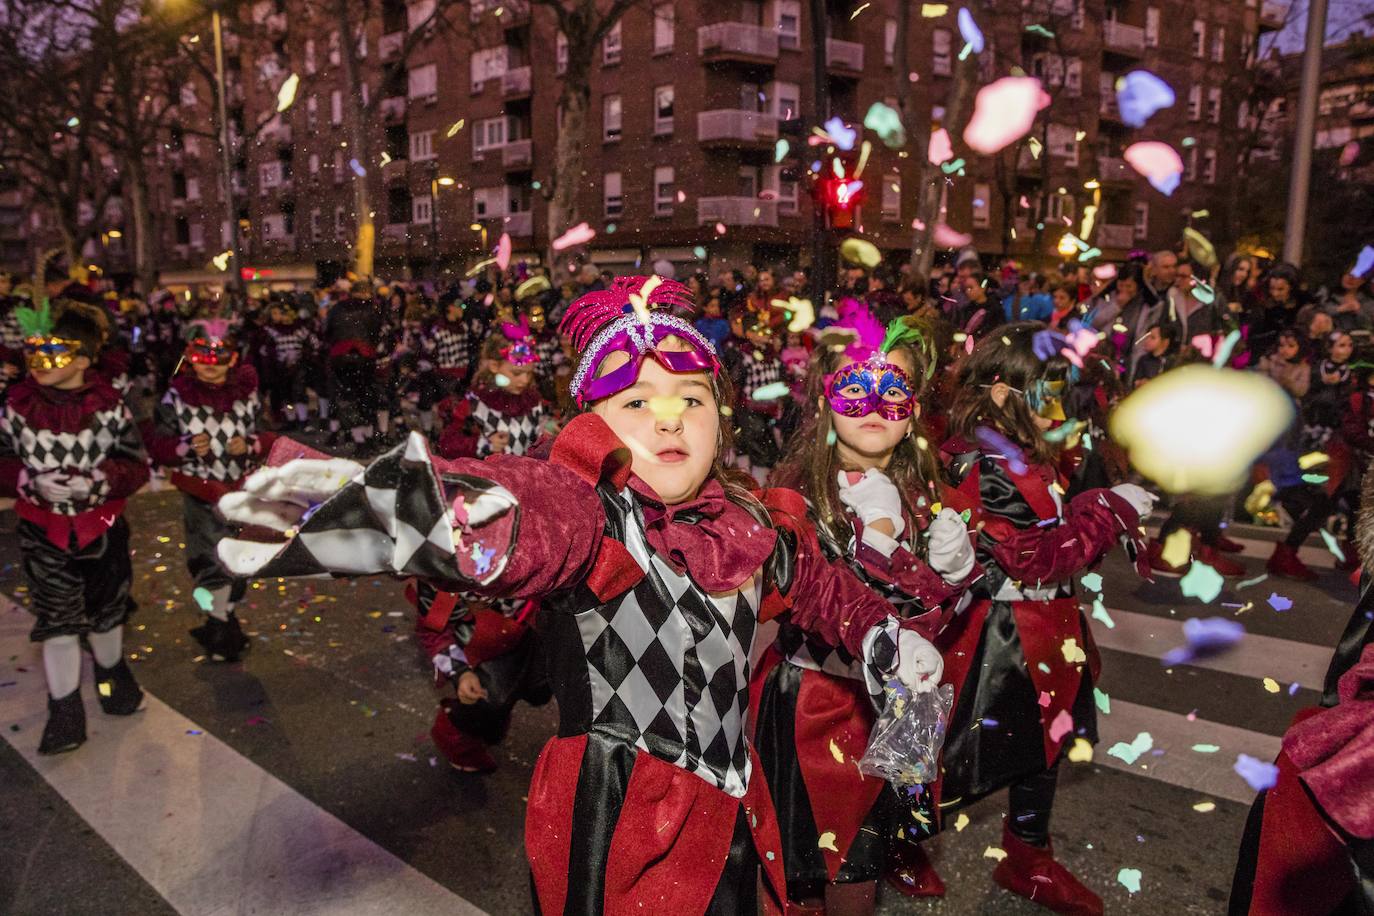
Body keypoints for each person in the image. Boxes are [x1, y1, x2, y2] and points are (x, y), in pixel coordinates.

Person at [215, 275, 946, 915]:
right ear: (595, 425)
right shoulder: (594, 516)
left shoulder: (750, 520)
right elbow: (521, 510)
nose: (669, 417)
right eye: (638, 400)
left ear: (721, 416)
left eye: (691, 398)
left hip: (731, 810)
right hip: (624, 817)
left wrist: (883, 633)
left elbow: (819, 585)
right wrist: (397, 511)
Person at [761, 309, 978, 913]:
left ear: (912, 413)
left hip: (896, 707)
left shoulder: (922, 492)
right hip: (819, 704)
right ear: (825, 403)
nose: (875, 406)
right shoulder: (799, 498)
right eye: (854, 388)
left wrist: (950, 576)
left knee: (867, 858)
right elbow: (815, 599)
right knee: (805, 863)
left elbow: (930, 625)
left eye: (894, 390)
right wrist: (877, 547)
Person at [936, 323, 1154, 915]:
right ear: (1002, 393)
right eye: (1048, 392)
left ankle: (1027, 856)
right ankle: (877, 848)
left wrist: (1095, 502)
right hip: (1002, 637)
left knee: (1045, 747)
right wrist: (1107, 512)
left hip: (1043, 625)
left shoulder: (1021, 453)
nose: (1059, 408)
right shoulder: (986, 463)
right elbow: (1033, 557)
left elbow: (1051, 533)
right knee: (961, 760)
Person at [0, 302, 149, 754]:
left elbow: (136, 466)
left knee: (107, 613)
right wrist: (27, 480)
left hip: (101, 525)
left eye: (55, 353)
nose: (40, 362)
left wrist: (99, 480)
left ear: (83, 359)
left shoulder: (110, 405)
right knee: (58, 622)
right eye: (35, 351)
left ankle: (111, 678)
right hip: (42, 530)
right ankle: (64, 713)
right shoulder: (16, 405)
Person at [145, 318, 271, 662]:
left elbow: (267, 434)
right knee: (209, 556)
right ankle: (220, 627)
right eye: (202, 357)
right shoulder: (176, 397)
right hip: (201, 491)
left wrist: (250, 443)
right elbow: (158, 444)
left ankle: (222, 620)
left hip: (242, 490)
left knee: (241, 557)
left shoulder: (247, 393)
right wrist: (184, 446)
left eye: (220, 357)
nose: (210, 365)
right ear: (190, 358)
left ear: (233, 359)